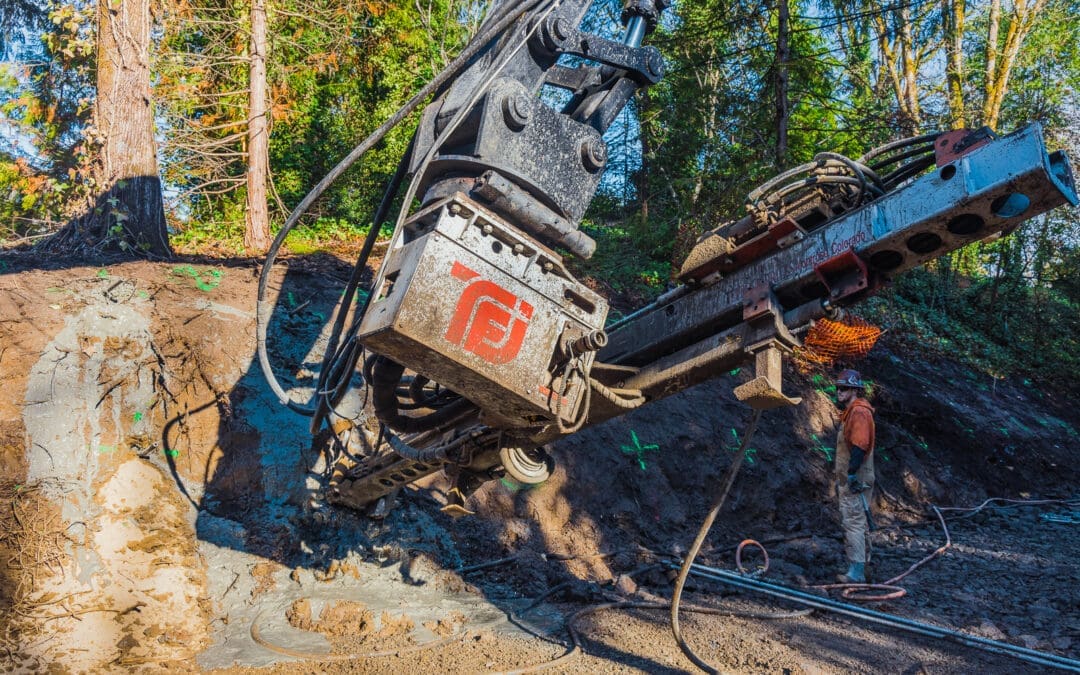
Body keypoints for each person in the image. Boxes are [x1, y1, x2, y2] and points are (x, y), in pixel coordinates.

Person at [833, 368, 876, 583]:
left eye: (844, 388)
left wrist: (850, 474)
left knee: (854, 522)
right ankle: (863, 567)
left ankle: (856, 573)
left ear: (855, 390)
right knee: (859, 521)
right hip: (857, 475)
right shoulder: (853, 412)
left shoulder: (859, 412)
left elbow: (860, 445)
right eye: (838, 387)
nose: (839, 391)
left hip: (857, 477)